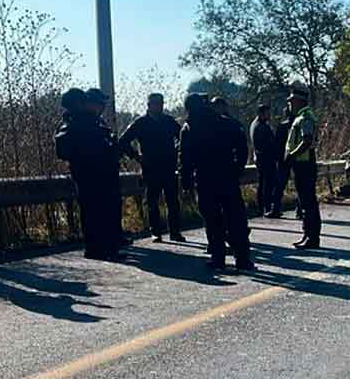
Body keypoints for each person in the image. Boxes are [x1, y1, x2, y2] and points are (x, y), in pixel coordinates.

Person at [179, 93, 255, 272]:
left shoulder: (189, 128)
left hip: (205, 179)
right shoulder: (226, 123)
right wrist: (237, 169)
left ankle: (218, 258)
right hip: (227, 177)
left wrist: (186, 182)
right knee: (235, 218)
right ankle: (242, 259)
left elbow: (185, 158)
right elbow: (242, 147)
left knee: (212, 220)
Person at [55, 87, 123, 260]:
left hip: (96, 173)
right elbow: (80, 149)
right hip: (90, 173)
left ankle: (102, 248)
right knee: (95, 212)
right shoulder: (77, 123)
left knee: (97, 211)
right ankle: (99, 249)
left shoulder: (85, 122)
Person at [119, 93, 184, 243]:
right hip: (150, 167)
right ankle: (155, 232)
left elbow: (183, 137)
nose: (158, 106)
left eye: (160, 103)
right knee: (152, 202)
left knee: (173, 201)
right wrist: (136, 157)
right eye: (155, 104)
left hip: (168, 166)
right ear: (148, 105)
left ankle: (175, 231)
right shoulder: (140, 123)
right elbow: (123, 141)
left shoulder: (169, 121)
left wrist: (176, 152)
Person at [284, 82, 321, 249]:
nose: (289, 103)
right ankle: (308, 234)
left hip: (304, 164)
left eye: (292, 101)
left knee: (308, 202)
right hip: (303, 163)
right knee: (305, 202)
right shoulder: (301, 117)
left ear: (299, 101)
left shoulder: (305, 118)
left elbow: (307, 141)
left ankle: (312, 237)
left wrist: (292, 155)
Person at [269, 110, 300, 219]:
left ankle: (275, 209)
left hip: (284, 159)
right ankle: (300, 211)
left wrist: (277, 158)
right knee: (299, 185)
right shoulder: (298, 125)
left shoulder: (282, 126)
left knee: (279, 185)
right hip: (297, 158)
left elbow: (276, 144)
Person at [250, 103, 279, 216]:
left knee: (263, 183)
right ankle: (266, 207)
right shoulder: (261, 126)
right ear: (262, 113)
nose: (269, 115)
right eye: (267, 113)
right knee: (267, 184)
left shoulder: (255, 124)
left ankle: (262, 207)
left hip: (261, 158)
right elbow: (267, 144)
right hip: (266, 159)